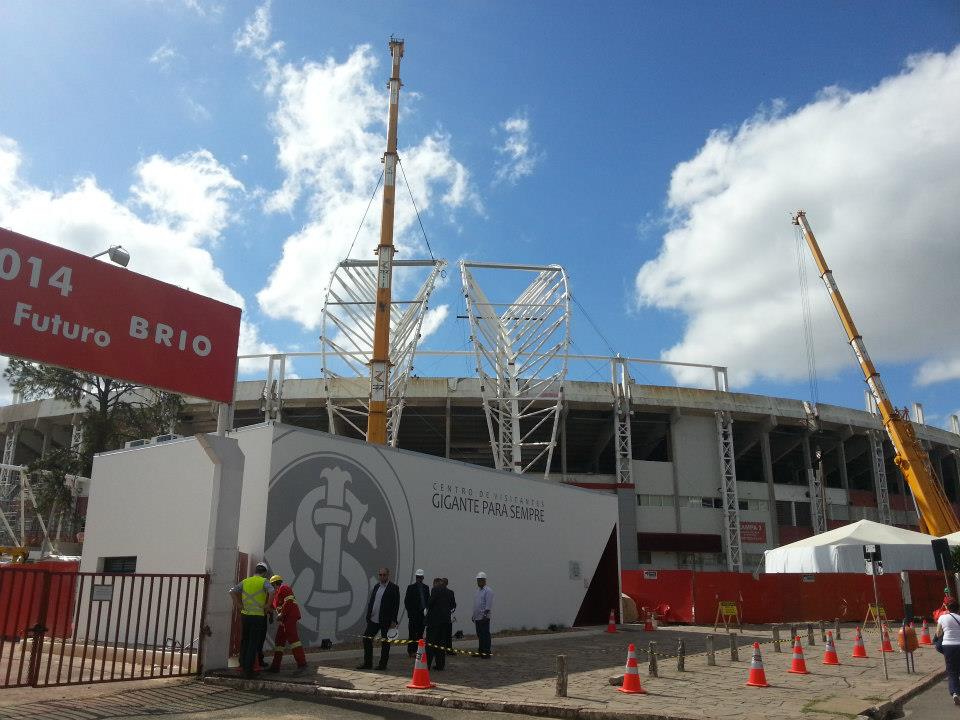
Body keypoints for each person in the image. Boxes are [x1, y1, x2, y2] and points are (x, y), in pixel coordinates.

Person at [229, 561, 275, 679]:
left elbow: (232, 591)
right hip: (258, 616)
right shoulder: (264, 581)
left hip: (245, 615)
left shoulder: (245, 581)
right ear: (264, 572)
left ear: (255, 571)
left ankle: (242, 664)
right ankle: (248, 670)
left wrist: (238, 604)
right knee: (253, 642)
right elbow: (272, 591)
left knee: (245, 640)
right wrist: (268, 605)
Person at [357, 567, 400, 670]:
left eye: (384, 575)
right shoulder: (377, 586)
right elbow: (372, 601)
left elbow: (396, 605)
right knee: (366, 638)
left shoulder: (393, 588)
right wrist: (369, 614)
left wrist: (393, 620)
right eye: (380, 575)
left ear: (388, 575)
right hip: (374, 619)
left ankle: (382, 664)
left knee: (385, 643)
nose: (382, 577)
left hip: (386, 620)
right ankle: (368, 663)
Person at [266, 574, 307, 676]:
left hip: (290, 616)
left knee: (293, 639)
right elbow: (272, 607)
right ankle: (275, 666)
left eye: (272, 585)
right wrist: (271, 614)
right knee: (279, 640)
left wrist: (281, 614)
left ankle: (302, 665)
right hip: (284, 619)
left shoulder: (284, 588)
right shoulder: (275, 595)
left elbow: (288, 601)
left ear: (274, 583)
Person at [425, 577, 456, 670]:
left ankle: (427, 664)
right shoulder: (450, 592)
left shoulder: (435, 590)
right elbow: (453, 605)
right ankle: (440, 665)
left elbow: (429, 603)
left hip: (434, 622)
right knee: (441, 644)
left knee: (430, 643)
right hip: (445, 622)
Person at [936, 599, 960, 705]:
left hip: (948, 646)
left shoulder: (942, 617)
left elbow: (938, 633)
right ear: (958, 609)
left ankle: (955, 693)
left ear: (948, 608)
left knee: (952, 671)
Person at [404, 569, 429, 658]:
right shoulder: (411, 588)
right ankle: (411, 651)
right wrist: (411, 613)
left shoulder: (426, 588)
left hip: (423, 615)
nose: (418, 579)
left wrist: (426, 611)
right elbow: (407, 601)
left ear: (422, 577)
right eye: (417, 577)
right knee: (412, 634)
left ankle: (419, 651)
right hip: (414, 615)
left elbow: (427, 600)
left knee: (420, 634)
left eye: (420, 577)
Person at [472, 571, 494, 658]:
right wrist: (473, 615)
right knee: (480, 635)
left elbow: (488, 605)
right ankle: (480, 651)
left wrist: (485, 615)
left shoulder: (488, 591)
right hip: (477, 617)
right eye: (477, 580)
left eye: (480, 580)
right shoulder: (477, 591)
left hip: (484, 617)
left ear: (484, 580)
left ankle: (486, 652)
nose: (478, 582)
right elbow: (476, 604)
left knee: (485, 635)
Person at [441, 577, 456, 661]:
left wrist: (451, 610)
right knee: (444, 634)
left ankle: (447, 649)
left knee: (446, 634)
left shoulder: (450, 592)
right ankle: (444, 649)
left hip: (446, 616)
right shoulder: (439, 592)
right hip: (443, 616)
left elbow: (453, 604)